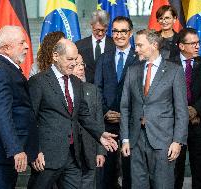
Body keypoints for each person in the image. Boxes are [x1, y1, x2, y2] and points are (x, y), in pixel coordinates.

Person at [27, 39, 118, 189]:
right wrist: (35, 151)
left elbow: (83, 114)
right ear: (56, 56)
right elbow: (30, 119)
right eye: (69, 59)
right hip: (46, 157)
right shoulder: (38, 81)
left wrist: (100, 134)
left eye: (75, 59)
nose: (74, 64)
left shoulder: (76, 82)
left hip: (73, 156)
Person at [120, 29, 188, 189]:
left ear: (154, 45)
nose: (136, 49)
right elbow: (125, 107)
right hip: (136, 141)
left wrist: (177, 141)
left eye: (139, 45)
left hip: (164, 142)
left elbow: (181, 110)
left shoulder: (175, 71)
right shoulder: (132, 70)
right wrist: (125, 139)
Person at [0, 26, 38, 188]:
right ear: (6, 48)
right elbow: (1, 114)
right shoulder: (1, 72)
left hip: (2, 156)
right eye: (22, 42)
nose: (27, 46)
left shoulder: (7, 69)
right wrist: (16, 149)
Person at [94, 16, 138, 189]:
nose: (119, 35)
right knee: (108, 172)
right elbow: (97, 89)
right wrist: (105, 111)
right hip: (107, 123)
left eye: (123, 31)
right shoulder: (104, 58)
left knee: (131, 171)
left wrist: (126, 114)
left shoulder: (139, 58)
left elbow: (143, 93)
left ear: (131, 33)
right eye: (115, 31)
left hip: (131, 122)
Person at [173, 28, 201, 189]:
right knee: (176, 169)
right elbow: (165, 93)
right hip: (175, 126)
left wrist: (195, 110)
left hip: (200, 124)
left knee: (200, 171)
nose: (197, 46)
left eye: (198, 43)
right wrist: (184, 112)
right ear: (181, 46)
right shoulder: (169, 64)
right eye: (193, 43)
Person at [73, 54, 106, 189]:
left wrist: (100, 151)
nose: (81, 68)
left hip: (90, 152)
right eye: (76, 65)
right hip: (68, 153)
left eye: (82, 64)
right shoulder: (60, 89)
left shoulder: (93, 90)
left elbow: (99, 122)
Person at [76, 10, 115, 83]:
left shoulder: (115, 45)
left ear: (107, 27)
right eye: (97, 30)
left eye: (103, 30)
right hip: (86, 89)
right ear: (91, 25)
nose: (100, 33)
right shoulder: (79, 45)